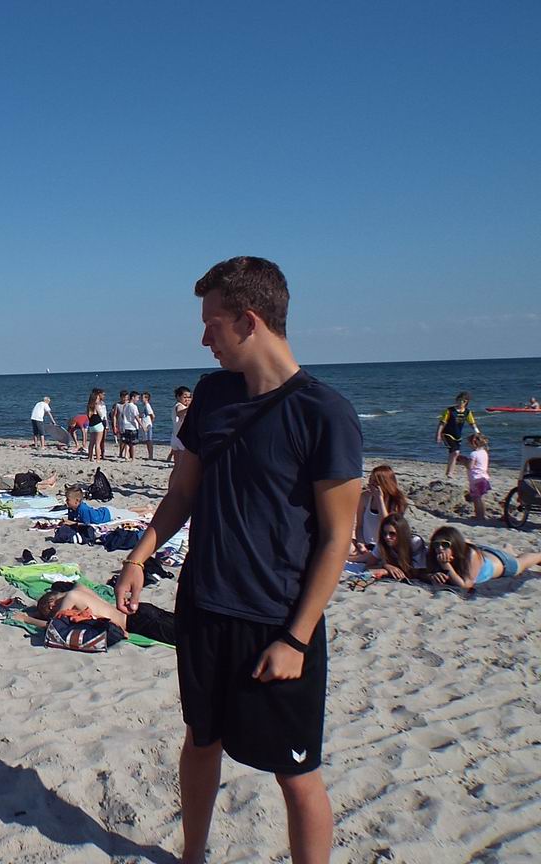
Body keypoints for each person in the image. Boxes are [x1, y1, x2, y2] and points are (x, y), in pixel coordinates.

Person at [113, 256, 362, 864]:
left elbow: (338, 538)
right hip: (203, 607)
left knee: (296, 774)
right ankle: (192, 855)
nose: (205, 339)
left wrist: (296, 640)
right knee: (201, 740)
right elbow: (183, 493)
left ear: (250, 321)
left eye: (212, 324)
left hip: (277, 621)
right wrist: (139, 558)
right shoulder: (212, 394)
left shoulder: (324, 413)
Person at [17, 582, 175, 645]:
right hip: (141, 610)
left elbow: (55, 626)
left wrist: (27, 619)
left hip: (137, 622)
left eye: (50, 612)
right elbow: (77, 584)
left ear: (52, 605)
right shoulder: (79, 589)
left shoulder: (71, 597)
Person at [425, 526, 541, 589]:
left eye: (445, 545)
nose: (440, 548)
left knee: (521, 563)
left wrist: (445, 565)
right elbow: (421, 572)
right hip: (484, 554)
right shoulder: (435, 554)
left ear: (454, 545)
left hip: (503, 564)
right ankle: (508, 549)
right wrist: (432, 576)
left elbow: (465, 585)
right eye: (436, 545)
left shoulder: (470, 555)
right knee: (504, 553)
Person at [347, 513, 426, 582]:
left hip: (417, 571)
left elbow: (415, 572)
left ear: (401, 533)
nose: (387, 537)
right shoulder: (383, 542)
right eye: (384, 533)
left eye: (392, 533)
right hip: (382, 559)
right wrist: (386, 566)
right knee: (361, 559)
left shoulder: (415, 542)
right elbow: (368, 566)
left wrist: (386, 571)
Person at [354, 465, 407, 550]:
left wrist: (379, 499)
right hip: (366, 543)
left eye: (375, 482)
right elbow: (359, 525)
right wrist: (361, 543)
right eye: (370, 479)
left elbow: (388, 525)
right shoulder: (364, 497)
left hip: (386, 545)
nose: (370, 484)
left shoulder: (396, 501)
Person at [436, 391, 480, 478]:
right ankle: (450, 473)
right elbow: (442, 423)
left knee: (454, 453)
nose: (461, 402)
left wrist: (477, 432)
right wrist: (438, 435)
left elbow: (472, 423)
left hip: (458, 436)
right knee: (455, 452)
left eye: (463, 401)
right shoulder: (449, 411)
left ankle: (450, 471)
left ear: (466, 402)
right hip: (447, 434)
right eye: (459, 400)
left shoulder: (467, 412)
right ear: (456, 400)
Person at [456, 433, 491, 520]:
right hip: (483, 477)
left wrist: (463, 461)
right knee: (479, 498)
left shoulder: (473, 454)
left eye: (469, 443)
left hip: (476, 479)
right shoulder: (484, 452)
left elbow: (470, 466)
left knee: (477, 498)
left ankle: (479, 516)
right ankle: (480, 515)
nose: (468, 445)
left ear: (473, 443)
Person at [169, 386, 192, 464]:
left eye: (189, 397)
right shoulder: (179, 405)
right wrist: (189, 408)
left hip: (175, 436)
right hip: (181, 438)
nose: (187, 399)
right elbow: (179, 412)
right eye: (184, 397)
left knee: (177, 463)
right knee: (183, 462)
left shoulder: (178, 405)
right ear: (178, 397)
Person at [117, 391, 140, 460]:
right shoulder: (134, 406)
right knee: (133, 443)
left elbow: (122, 415)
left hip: (126, 426)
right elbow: (136, 416)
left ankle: (126, 455)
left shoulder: (125, 405)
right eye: (137, 398)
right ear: (133, 397)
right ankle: (133, 457)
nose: (138, 399)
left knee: (127, 442)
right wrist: (141, 425)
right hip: (132, 427)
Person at [86, 389, 106, 462]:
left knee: (91, 443)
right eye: (97, 398)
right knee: (97, 443)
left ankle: (90, 457)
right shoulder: (96, 406)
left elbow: (88, 416)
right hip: (98, 425)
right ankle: (98, 458)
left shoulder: (88, 406)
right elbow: (101, 415)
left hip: (91, 425)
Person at [139, 392, 156, 460]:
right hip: (145, 424)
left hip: (147, 425)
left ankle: (151, 456)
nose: (141, 399)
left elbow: (153, 415)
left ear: (146, 398)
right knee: (147, 441)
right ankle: (150, 455)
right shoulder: (144, 406)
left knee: (149, 440)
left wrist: (150, 423)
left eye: (142, 397)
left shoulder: (147, 405)